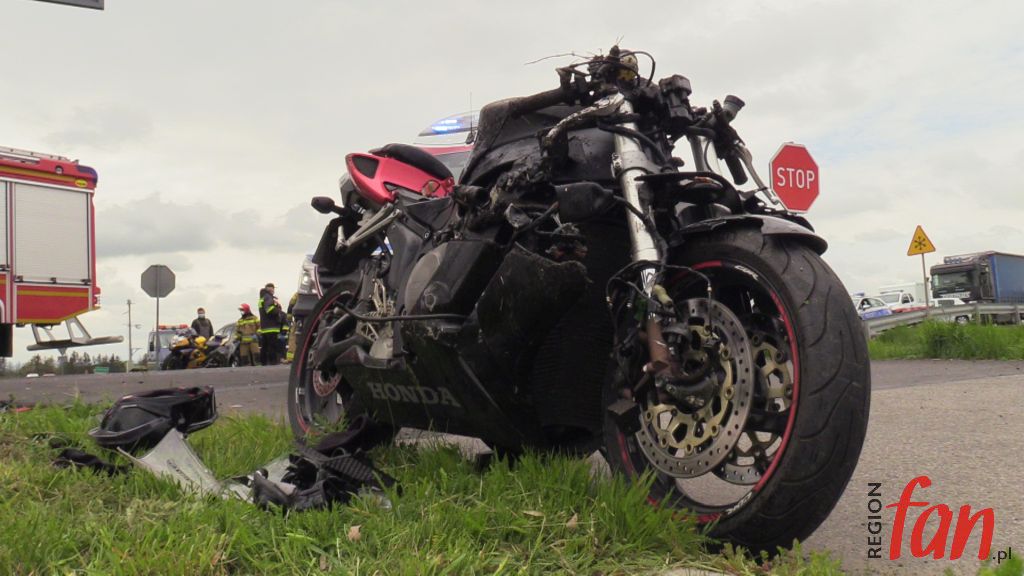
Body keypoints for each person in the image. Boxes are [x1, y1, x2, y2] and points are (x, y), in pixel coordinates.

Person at [258, 283, 283, 365]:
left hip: (265, 327)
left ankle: (263, 362)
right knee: (272, 345)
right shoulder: (268, 297)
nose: (273, 291)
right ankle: (273, 361)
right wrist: (278, 309)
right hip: (271, 326)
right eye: (273, 289)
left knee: (264, 346)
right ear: (271, 290)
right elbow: (269, 310)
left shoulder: (262, 297)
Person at [285, 292, 299, 363]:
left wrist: (289, 319)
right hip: (315, 318)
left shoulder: (298, 294)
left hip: (299, 319)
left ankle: (290, 359)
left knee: (293, 337)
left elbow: (291, 305)